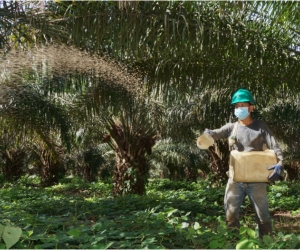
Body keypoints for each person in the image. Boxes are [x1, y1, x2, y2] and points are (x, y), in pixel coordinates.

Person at [204, 88, 284, 239]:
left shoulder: (261, 127)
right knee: (231, 215)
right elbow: (217, 133)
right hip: (235, 180)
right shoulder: (231, 128)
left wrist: (280, 163)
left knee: (263, 216)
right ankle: (233, 243)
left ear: (251, 107)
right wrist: (209, 133)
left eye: (242, 105)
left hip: (257, 180)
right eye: (236, 106)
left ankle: (266, 244)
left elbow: (275, 146)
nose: (238, 108)